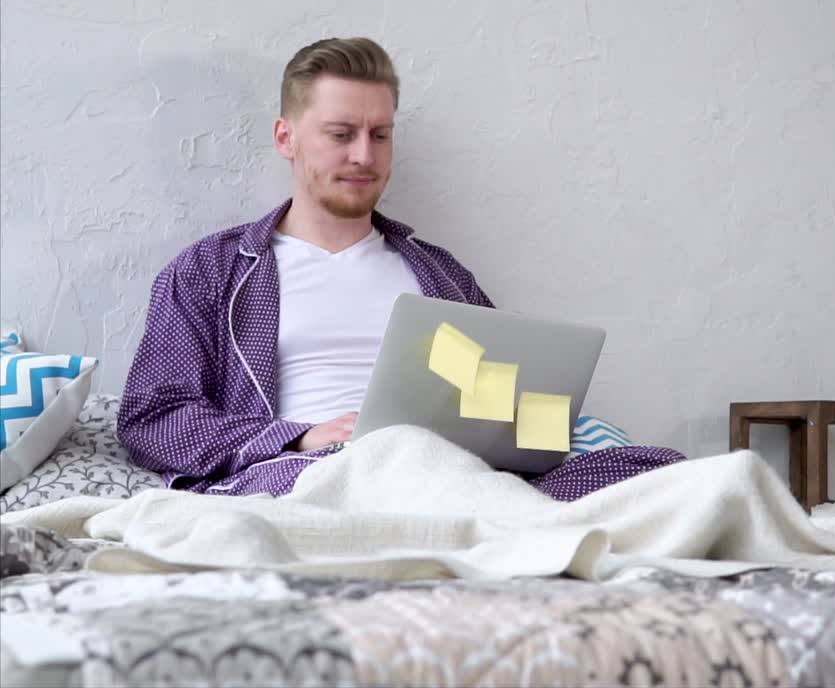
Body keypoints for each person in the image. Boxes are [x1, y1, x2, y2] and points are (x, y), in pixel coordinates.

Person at [118, 37, 683, 498]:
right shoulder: (210, 273)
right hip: (309, 477)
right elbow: (154, 416)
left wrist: (547, 429)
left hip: (460, 477)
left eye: (380, 135)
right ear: (286, 138)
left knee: (669, 474)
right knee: (375, 477)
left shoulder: (438, 276)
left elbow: (498, 406)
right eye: (341, 135)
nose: (364, 155)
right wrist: (297, 438)